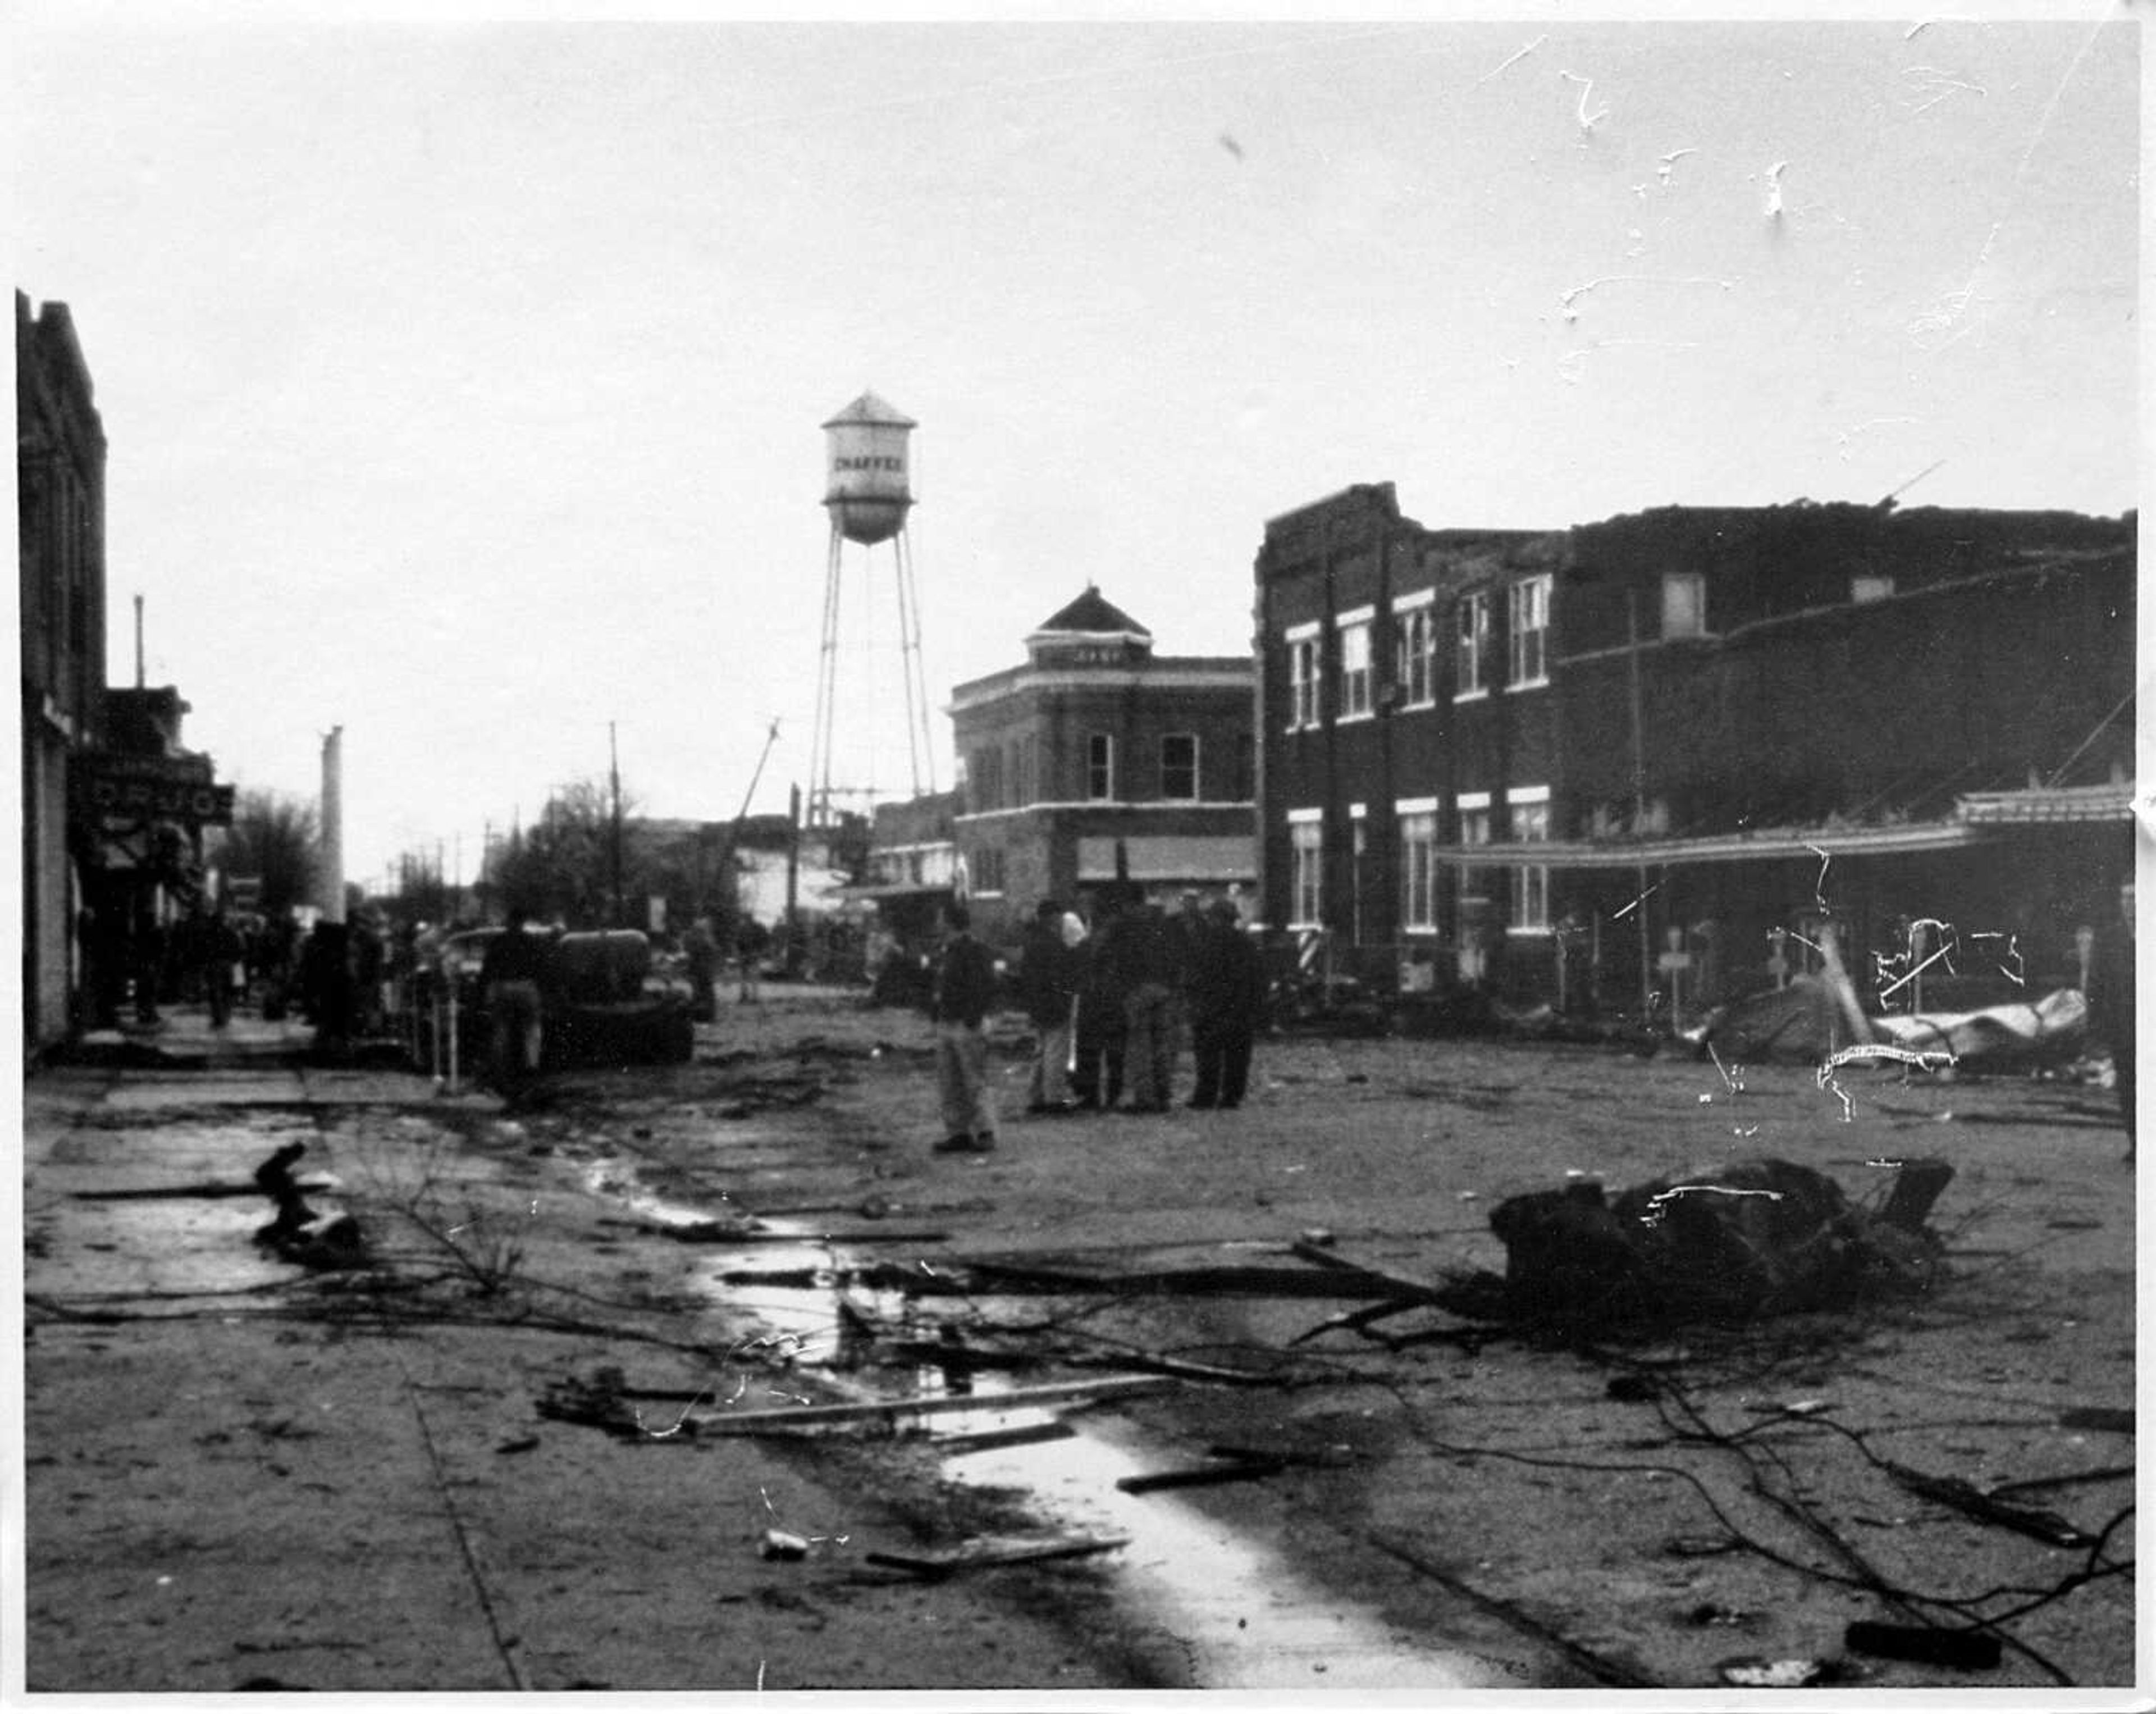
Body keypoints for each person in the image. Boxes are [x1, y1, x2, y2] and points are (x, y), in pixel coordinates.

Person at [928, 900, 999, 1154]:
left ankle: (983, 1131)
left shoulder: (971, 950)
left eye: (940, 918)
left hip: (963, 1023)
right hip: (950, 1021)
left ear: (949, 922)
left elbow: (985, 985)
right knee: (950, 1081)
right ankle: (959, 1132)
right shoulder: (951, 950)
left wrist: (973, 1016)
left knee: (972, 1080)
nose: (937, 923)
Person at [1185, 899, 1267, 1109]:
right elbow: (1259, 977)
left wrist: (1193, 1002)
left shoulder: (1205, 943)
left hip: (1211, 1006)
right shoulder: (1247, 944)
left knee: (1207, 1055)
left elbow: (1195, 975)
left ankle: (1205, 1096)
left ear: (1215, 918)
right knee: (1238, 1056)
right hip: (1240, 1009)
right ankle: (1232, 1096)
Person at [1099, 895, 1178, 1111]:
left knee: (1140, 1046)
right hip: (1163, 989)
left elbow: (1104, 956)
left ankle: (1145, 1098)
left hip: (1137, 990)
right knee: (1161, 1045)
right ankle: (1164, 1094)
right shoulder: (1160, 925)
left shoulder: (1121, 927)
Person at [479, 906, 552, 1104]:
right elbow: (543, 967)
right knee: (532, 1028)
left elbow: (487, 969)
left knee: (501, 1029)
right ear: (523, 922)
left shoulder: (498, 942)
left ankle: (501, 1071)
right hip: (527, 987)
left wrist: (483, 992)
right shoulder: (531, 942)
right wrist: (544, 992)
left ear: (508, 921)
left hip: (502, 987)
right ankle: (532, 1068)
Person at [1018, 900, 1081, 1114]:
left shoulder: (1032, 940)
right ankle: (1054, 1098)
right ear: (1053, 917)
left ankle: (1035, 1097)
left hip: (1037, 1003)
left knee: (1041, 1051)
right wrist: (1065, 998)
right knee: (1056, 1051)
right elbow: (1060, 976)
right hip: (1055, 1003)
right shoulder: (1053, 942)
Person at [683, 918, 719, 1022]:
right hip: (701, 970)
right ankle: (704, 1015)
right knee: (703, 993)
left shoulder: (702, 939)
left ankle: (705, 1016)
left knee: (702, 993)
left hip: (701, 970)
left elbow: (693, 952)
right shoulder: (706, 939)